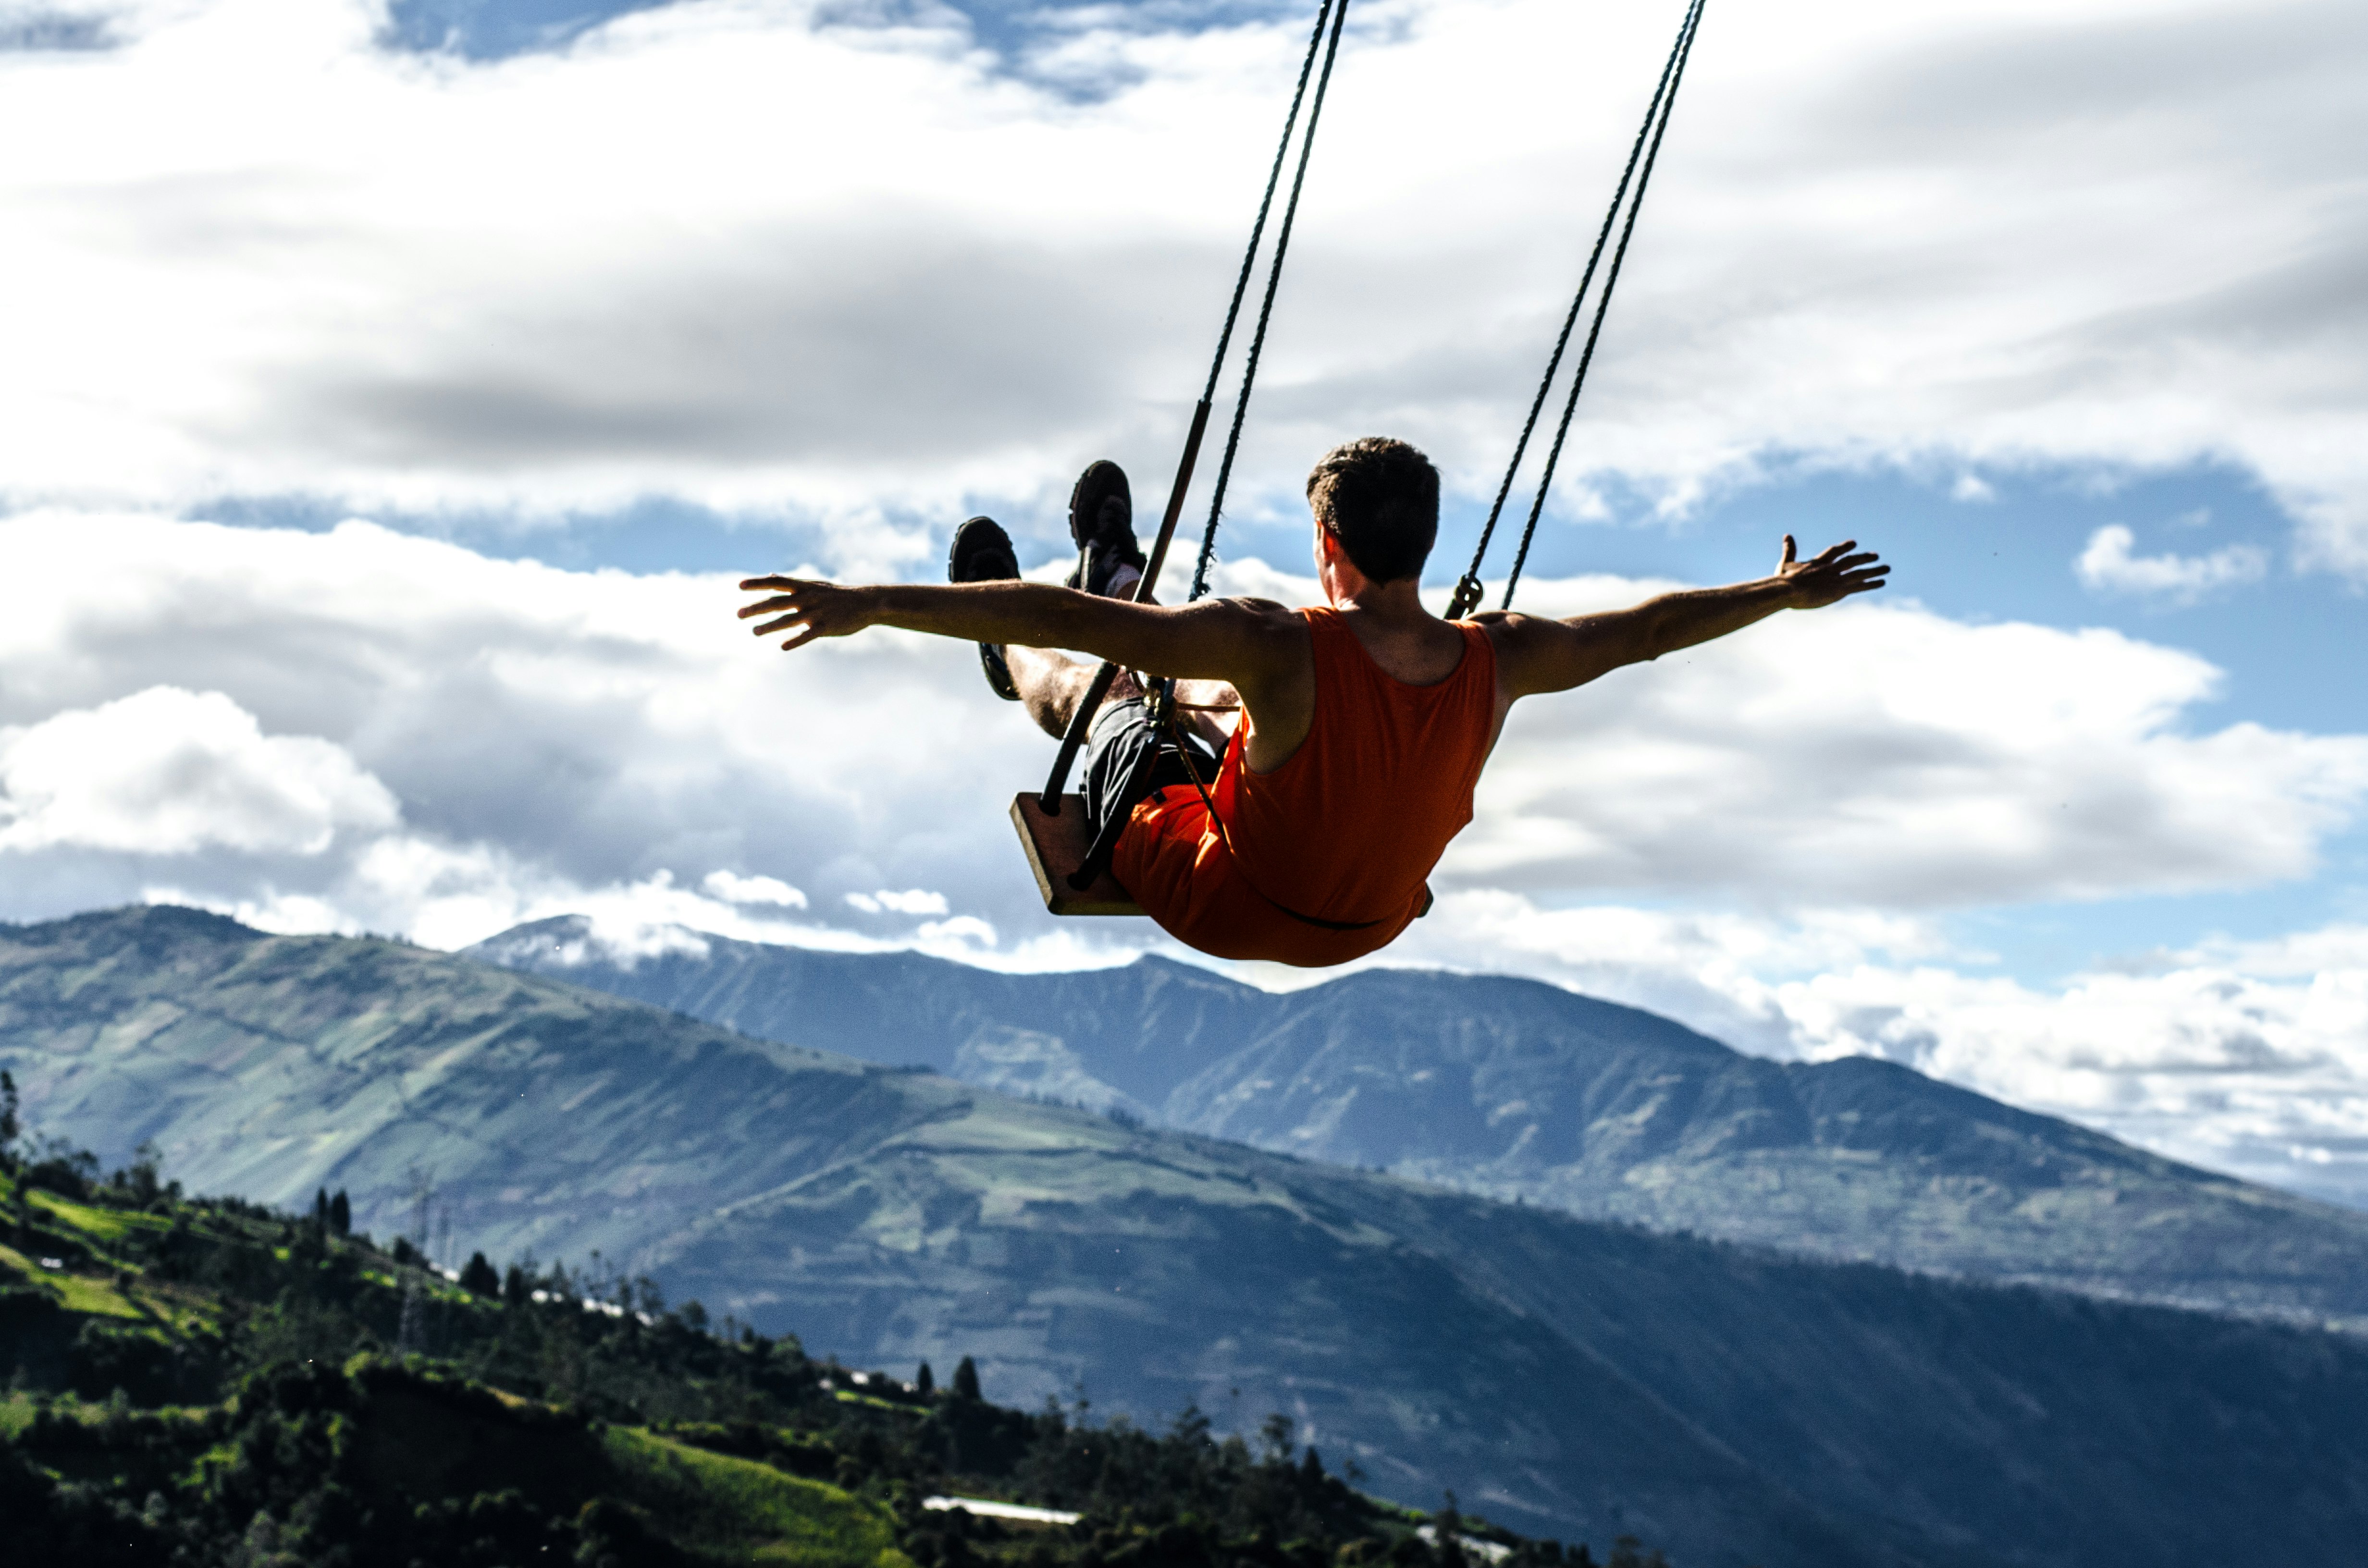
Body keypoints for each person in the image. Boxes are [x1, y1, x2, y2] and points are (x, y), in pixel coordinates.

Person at [739, 437, 1887, 967]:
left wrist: (868, 602)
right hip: (1369, 925)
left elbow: (1072, 629)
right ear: (1422, 544)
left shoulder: (1277, 639)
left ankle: (995, 653)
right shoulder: (1504, 654)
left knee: (1108, 694)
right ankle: (1125, 577)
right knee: (1219, 703)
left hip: (1232, 904)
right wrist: (1780, 595)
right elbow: (1644, 633)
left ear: (1325, 544)